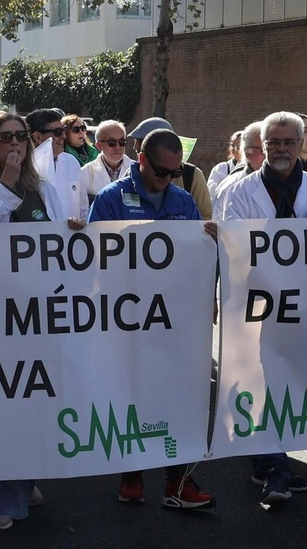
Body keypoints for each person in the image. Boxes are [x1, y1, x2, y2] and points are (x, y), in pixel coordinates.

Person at [0, 114, 81, 528]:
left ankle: (23, 481)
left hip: (36, 314)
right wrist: (5, 186)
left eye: (20, 137)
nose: (14, 143)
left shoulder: (43, 188)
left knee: (30, 402)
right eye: (4, 137)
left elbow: (60, 239)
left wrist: (73, 231)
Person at [215, 113, 307, 505]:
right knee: (260, 383)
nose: (282, 150)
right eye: (274, 143)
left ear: (304, 144)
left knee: (290, 382)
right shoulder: (237, 191)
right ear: (262, 146)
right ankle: (274, 467)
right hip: (255, 307)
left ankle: (270, 459)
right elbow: (229, 249)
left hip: (303, 310)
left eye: (290, 142)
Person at [88, 128, 219, 511]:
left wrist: (210, 241)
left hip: (176, 316)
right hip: (128, 317)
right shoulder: (112, 199)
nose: (168, 179)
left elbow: (199, 257)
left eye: (175, 173)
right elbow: (93, 257)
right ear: (141, 160)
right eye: (162, 171)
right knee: (132, 394)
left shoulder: (182, 200)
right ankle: (131, 473)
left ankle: (178, 480)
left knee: (181, 395)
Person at [127, 117, 212, 220]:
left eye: (175, 173)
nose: (135, 146)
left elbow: (205, 216)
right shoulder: (128, 177)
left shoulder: (192, 176)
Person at [27, 108, 87, 220]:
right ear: (38, 137)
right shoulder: (25, 168)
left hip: (72, 236)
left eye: (63, 130)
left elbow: (83, 208)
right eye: (57, 132)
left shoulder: (71, 162)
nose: (64, 136)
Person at [80, 120, 132, 204]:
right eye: (112, 143)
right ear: (99, 146)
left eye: (122, 142)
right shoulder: (85, 173)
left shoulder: (137, 170)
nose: (118, 147)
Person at [207, 131, 244, 202]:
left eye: (246, 146)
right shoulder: (221, 169)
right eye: (239, 147)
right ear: (232, 150)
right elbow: (212, 194)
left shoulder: (257, 169)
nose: (243, 151)